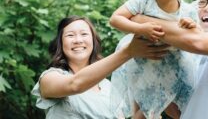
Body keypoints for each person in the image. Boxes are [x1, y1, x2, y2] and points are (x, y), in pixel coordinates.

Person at [109, 0, 198, 119]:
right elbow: (116, 19)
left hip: (173, 65)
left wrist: (191, 25)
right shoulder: (144, 0)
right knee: (141, 111)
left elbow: (198, 37)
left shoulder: (188, 11)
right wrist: (141, 28)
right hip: (143, 63)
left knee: (180, 110)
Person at [31, 16, 169, 119]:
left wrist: (155, 102)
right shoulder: (49, 78)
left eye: (84, 34)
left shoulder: (109, 87)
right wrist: (128, 52)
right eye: (70, 35)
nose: (78, 40)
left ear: (93, 41)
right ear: (61, 43)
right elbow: (75, 85)